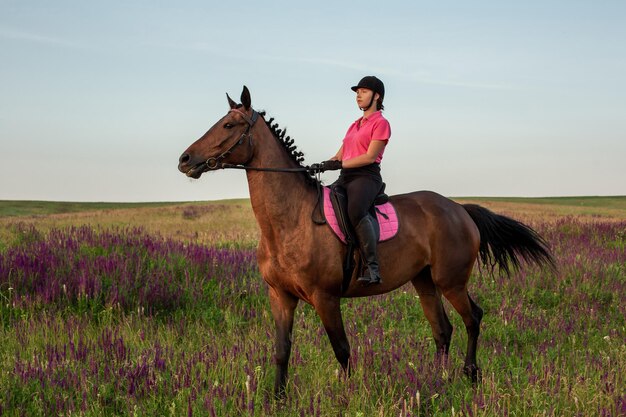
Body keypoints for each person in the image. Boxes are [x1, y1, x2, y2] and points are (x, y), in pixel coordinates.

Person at [318, 76, 391, 285]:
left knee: (355, 210)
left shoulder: (381, 123)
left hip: (366, 176)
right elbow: (340, 155)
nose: (358, 95)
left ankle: (372, 267)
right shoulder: (354, 125)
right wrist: (323, 164)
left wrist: (340, 164)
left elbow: (369, 157)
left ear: (377, 96)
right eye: (357, 91)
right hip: (346, 176)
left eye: (364, 91)